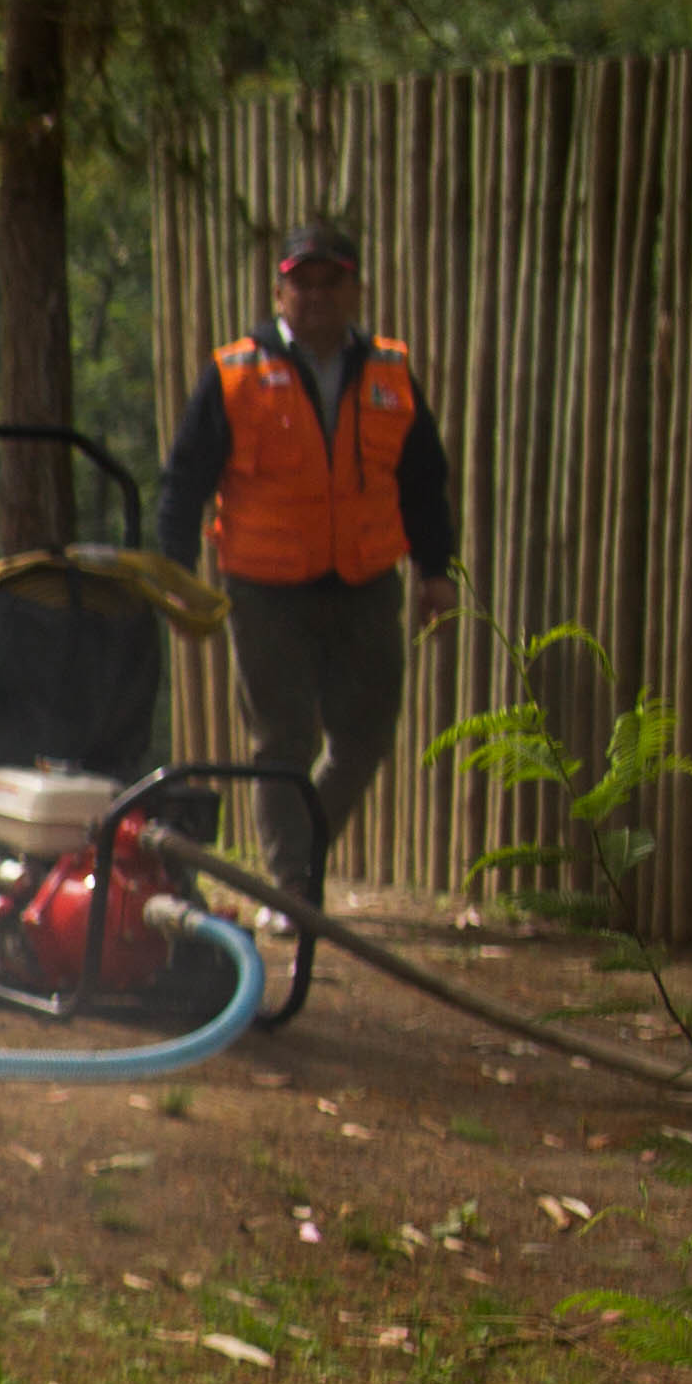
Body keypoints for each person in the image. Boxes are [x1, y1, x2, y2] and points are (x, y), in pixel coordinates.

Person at [150, 221, 461, 908]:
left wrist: (436, 569)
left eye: (331, 281)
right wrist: (173, 571)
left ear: (355, 288)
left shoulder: (390, 372)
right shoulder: (235, 373)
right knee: (281, 740)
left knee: (366, 737)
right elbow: (184, 480)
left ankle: (300, 865)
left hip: (367, 582)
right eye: (303, 282)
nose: (316, 295)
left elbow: (423, 479)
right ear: (279, 290)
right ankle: (292, 888)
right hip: (263, 588)